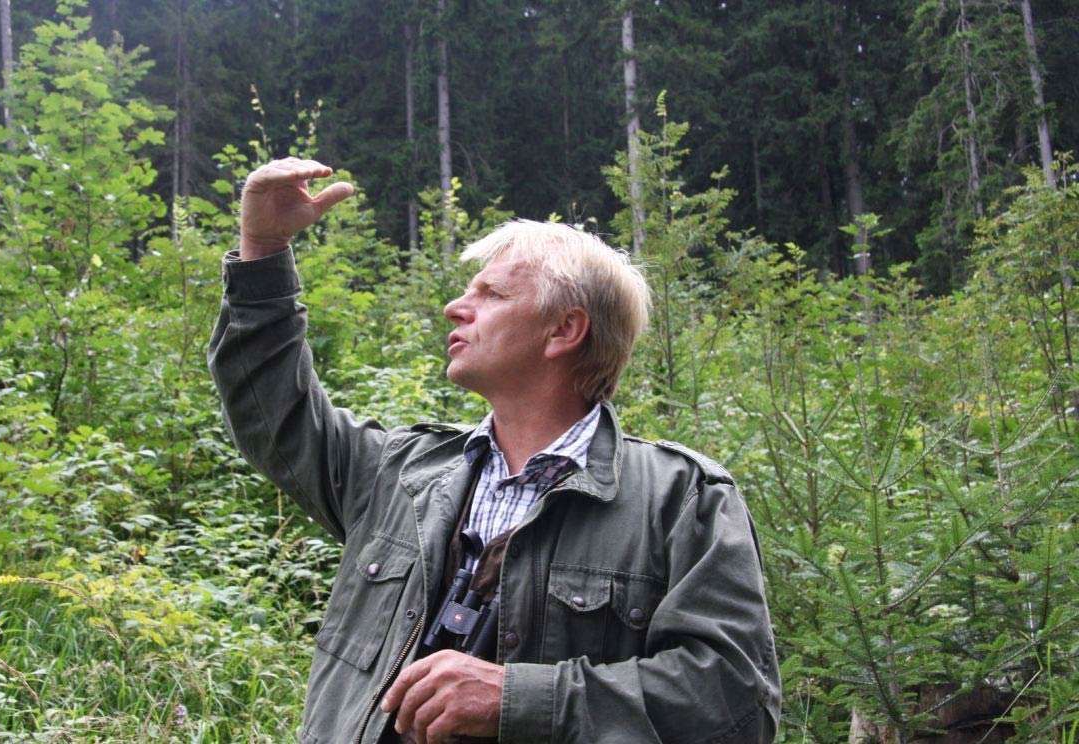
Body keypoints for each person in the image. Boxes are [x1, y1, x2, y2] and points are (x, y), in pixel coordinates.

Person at [208, 157, 781, 744]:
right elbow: (273, 411)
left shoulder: (682, 500)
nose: (457, 307)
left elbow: (736, 701)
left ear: (564, 330)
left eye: (491, 293)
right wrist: (263, 248)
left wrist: (519, 699)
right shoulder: (400, 472)